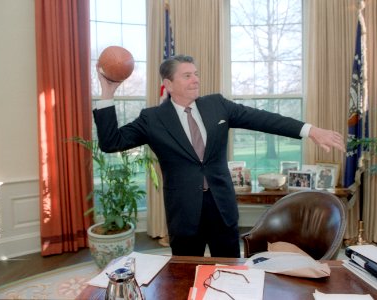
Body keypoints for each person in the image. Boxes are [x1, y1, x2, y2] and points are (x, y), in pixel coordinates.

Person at [93, 54, 345, 258]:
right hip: (183, 212)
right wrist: (107, 93)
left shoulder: (217, 105)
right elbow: (111, 142)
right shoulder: (153, 119)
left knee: (230, 270)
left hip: (221, 208)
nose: (195, 80)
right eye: (187, 75)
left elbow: (263, 119)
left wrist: (310, 130)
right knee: (185, 275)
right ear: (168, 84)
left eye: (196, 74)